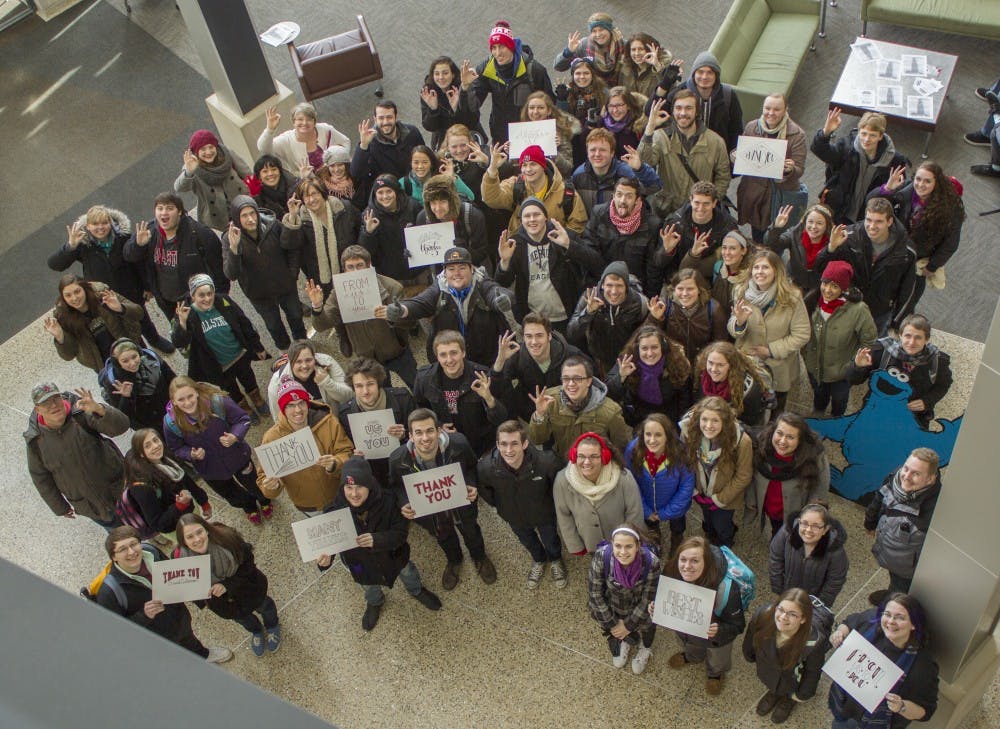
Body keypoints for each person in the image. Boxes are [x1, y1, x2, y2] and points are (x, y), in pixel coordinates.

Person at [319, 458, 443, 631]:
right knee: (367, 585)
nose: (354, 494)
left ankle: (416, 590)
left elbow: (400, 534)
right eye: (349, 488)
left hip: (393, 555)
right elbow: (330, 545)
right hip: (358, 563)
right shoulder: (333, 512)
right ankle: (375, 602)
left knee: (407, 571)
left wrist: (377, 540)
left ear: (370, 484)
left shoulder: (389, 501)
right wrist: (326, 560)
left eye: (359, 487)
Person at [389, 409, 497, 590]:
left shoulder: (459, 444)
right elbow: (396, 485)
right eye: (419, 432)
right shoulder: (398, 459)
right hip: (431, 513)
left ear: (439, 431)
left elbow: (472, 467)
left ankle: (479, 557)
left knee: (471, 531)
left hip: (462, 504)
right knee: (443, 536)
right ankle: (454, 560)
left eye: (430, 430)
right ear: (410, 436)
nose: (425, 438)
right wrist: (403, 503)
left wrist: (471, 484)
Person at [96, 526, 232, 663]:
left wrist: (200, 595)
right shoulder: (109, 592)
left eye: (133, 544)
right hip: (155, 637)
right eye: (122, 549)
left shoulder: (151, 552)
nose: (131, 552)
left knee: (187, 637)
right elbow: (117, 633)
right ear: (113, 557)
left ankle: (203, 655)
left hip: (178, 615)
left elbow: (176, 576)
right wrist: (144, 615)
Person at [48, 205, 173, 352]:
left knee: (141, 317)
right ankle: (136, 348)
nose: (100, 228)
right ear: (88, 226)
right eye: (95, 224)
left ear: (111, 223)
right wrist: (70, 246)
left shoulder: (123, 238)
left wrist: (147, 287)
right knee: (115, 324)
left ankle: (154, 339)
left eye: (104, 223)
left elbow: (138, 263)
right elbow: (55, 264)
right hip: (102, 296)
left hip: (129, 290)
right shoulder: (83, 245)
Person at [377, 246, 514, 367]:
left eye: (462, 268)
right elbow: (420, 303)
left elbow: (497, 292)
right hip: (451, 361)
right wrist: (401, 310)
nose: (457, 273)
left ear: (472, 269)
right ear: (445, 272)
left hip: (487, 359)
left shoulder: (482, 283)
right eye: (451, 269)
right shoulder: (438, 289)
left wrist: (502, 300)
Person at [163, 377, 272, 525]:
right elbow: (176, 447)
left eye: (190, 396)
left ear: (197, 392)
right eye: (181, 400)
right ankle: (248, 505)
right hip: (210, 468)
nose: (187, 403)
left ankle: (264, 499)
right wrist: (190, 454)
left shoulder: (217, 403)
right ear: (174, 401)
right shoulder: (171, 423)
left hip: (237, 456)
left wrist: (235, 435)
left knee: (254, 482)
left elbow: (242, 418)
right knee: (231, 494)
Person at [308, 245, 417, 387]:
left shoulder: (392, 287)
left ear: (369, 265)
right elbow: (321, 325)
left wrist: (395, 315)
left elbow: (411, 322)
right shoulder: (339, 293)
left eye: (360, 265)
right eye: (350, 267)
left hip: (397, 351)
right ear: (344, 270)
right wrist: (317, 306)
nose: (355, 271)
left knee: (418, 386)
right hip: (367, 359)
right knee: (382, 397)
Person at [25, 382, 129, 530]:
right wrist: (60, 507)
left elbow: (122, 426)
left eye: (55, 398)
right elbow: (40, 478)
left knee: (144, 519)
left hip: (120, 487)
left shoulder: (80, 413)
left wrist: (99, 410)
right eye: (46, 403)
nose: (54, 405)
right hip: (92, 506)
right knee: (121, 535)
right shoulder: (36, 441)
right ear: (38, 409)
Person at [477, 420, 567, 589]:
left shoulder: (547, 462)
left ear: (525, 443)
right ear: (497, 444)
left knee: (551, 539)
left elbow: (560, 487)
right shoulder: (485, 468)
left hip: (544, 514)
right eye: (503, 444)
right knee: (527, 541)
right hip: (514, 516)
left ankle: (555, 559)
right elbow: (485, 491)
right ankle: (539, 560)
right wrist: (502, 507)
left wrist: (552, 507)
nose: (508, 450)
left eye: (514, 444)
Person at [174, 514, 280, 656]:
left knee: (265, 606)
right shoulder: (180, 560)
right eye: (190, 537)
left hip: (249, 588)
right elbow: (188, 587)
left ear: (206, 529)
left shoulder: (227, 538)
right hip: (225, 605)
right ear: (184, 542)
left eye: (199, 532)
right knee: (243, 620)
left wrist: (227, 585)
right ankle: (256, 631)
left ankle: (272, 625)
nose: (197, 539)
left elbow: (248, 564)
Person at [828, 593, 939, 728]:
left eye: (900, 618)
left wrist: (901, 706)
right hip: (843, 710)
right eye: (887, 614)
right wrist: (840, 633)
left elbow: (926, 711)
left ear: (914, 624)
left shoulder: (922, 665)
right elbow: (850, 622)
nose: (891, 621)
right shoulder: (871, 622)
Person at [813, 197, 916, 336]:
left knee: (872, 348)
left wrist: (898, 321)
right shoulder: (849, 237)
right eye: (869, 220)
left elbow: (908, 289)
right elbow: (820, 268)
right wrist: (831, 248)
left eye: (879, 221)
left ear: (890, 221)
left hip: (880, 311)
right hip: (849, 305)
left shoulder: (905, 251)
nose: (872, 226)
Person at [172, 273, 269, 418]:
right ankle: (244, 407)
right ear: (193, 296)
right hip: (219, 366)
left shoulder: (224, 300)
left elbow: (244, 323)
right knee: (231, 389)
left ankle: (257, 398)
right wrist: (182, 323)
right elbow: (179, 342)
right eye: (201, 295)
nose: (207, 298)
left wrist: (258, 346)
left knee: (249, 379)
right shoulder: (187, 315)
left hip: (239, 356)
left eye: (210, 293)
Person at [494, 197, 604, 325]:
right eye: (527, 216)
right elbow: (500, 284)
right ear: (521, 220)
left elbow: (597, 265)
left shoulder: (563, 236)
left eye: (536, 214)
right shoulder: (516, 243)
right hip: (533, 318)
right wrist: (504, 262)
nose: (532, 219)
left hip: (566, 315)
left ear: (545, 217)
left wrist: (570, 246)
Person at [872, 160, 965, 308]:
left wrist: (932, 267)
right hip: (893, 253)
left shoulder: (949, 210)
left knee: (907, 300)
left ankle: (899, 326)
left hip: (917, 260)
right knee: (881, 294)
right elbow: (872, 205)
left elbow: (950, 244)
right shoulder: (906, 193)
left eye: (927, 181)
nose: (921, 185)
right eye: (918, 179)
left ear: (937, 183)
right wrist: (888, 189)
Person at [257, 376, 354, 517]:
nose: (298, 410)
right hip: (308, 505)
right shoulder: (271, 438)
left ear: (307, 403)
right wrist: (272, 487)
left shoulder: (328, 422)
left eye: (301, 403)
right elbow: (263, 479)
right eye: (290, 405)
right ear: (283, 409)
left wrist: (336, 462)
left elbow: (346, 451)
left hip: (340, 493)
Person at [728, 249, 810, 413]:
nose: (760, 272)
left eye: (765, 267)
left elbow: (802, 334)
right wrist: (740, 322)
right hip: (748, 363)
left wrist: (771, 350)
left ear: (776, 271)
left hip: (779, 366)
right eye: (756, 267)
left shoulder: (792, 297)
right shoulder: (741, 292)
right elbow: (732, 327)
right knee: (748, 407)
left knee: (776, 410)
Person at [662, 536, 747, 694]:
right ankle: (692, 657)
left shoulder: (726, 589)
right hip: (687, 632)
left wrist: (719, 630)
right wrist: (657, 608)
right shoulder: (672, 573)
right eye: (683, 559)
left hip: (716, 641)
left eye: (695, 561)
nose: (687, 566)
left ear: (706, 562)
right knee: (692, 647)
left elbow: (738, 625)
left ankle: (715, 674)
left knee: (717, 659)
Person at [124, 191, 227, 320]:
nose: (164, 213)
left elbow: (219, 271)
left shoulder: (199, 233)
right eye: (159, 208)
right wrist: (138, 245)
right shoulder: (149, 232)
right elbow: (129, 256)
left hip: (200, 302)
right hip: (169, 304)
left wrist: (218, 301)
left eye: (169, 208)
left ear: (179, 211)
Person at [223, 195, 305, 351]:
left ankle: (302, 344)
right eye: (244, 216)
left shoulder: (273, 226)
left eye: (252, 213)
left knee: (295, 316)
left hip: (285, 285)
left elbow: (291, 247)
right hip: (259, 293)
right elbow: (231, 274)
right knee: (273, 325)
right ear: (236, 218)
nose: (250, 219)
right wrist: (234, 249)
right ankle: (285, 349)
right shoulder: (229, 239)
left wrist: (292, 273)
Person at [847, 314, 952, 429]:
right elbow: (853, 380)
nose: (911, 342)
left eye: (918, 337)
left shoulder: (937, 361)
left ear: (926, 339)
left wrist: (928, 401)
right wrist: (857, 367)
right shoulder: (882, 351)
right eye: (907, 336)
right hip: (876, 414)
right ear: (900, 335)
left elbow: (943, 385)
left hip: (913, 421)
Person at [413, 330, 509, 456]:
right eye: (443, 355)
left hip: (481, 445)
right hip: (448, 445)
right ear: (437, 357)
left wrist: (488, 398)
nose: (449, 360)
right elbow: (420, 408)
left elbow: (501, 418)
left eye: (454, 353)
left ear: (463, 352)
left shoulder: (481, 376)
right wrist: (438, 426)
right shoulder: (424, 378)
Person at [743, 588, 830, 724]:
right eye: (781, 609)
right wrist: (749, 654)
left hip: (793, 678)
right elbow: (751, 636)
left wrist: (801, 695)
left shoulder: (814, 642)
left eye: (792, 614)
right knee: (775, 682)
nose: (783, 617)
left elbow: (812, 672)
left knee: (789, 687)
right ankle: (774, 692)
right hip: (769, 668)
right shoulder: (762, 616)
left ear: (803, 619)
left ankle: (788, 699)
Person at [638, 92, 731, 218]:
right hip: (666, 210)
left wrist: (709, 202)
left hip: (698, 211)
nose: (683, 113)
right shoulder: (660, 137)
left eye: (688, 108)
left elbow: (723, 177)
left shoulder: (715, 142)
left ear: (697, 111)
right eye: (678, 108)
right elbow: (643, 162)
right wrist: (650, 128)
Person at [803, 261, 877, 417]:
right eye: (825, 283)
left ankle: (837, 420)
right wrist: (805, 354)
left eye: (835, 286)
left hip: (842, 373)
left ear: (844, 289)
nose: (827, 290)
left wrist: (853, 364)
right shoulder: (811, 301)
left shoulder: (858, 310)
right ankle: (818, 416)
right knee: (819, 396)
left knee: (839, 400)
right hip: (815, 367)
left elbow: (869, 341)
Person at [865, 448, 941, 598]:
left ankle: (893, 598)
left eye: (916, 474)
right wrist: (870, 522)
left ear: (931, 479)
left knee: (900, 590)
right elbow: (879, 498)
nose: (906, 476)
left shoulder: (935, 508)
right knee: (893, 577)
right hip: (891, 552)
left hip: (906, 567)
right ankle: (892, 591)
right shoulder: (895, 476)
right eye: (906, 468)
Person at [464, 20, 555, 145]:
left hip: (531, 134)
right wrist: (466, 87)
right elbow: (473, 107)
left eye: (502, 46)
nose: (498, 53)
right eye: (494, 48)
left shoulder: (534, 70)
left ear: (511, 46)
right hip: (501, 135)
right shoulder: (485, 68)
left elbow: (551, 105)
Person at [679, 396, 754, 547]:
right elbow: (684, 463)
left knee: (722, 525)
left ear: (725, 423)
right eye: (704, 419)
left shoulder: (742, 442)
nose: (708, 425)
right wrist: (694, 491)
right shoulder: (689, 434)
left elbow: (743, 476)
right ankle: (710, 536)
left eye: (715, 421)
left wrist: (719, 499)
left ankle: (725, 543)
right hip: (702, 493)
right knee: (708, 521)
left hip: (726, 497)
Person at [810, 109, 908, 224]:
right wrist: (825, 132)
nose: (866, 139)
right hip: (839, 209)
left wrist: (890, 189)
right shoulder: (847, 147)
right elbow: (821, 151)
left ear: (881, 136)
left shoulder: (894, 161)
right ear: (859, 131)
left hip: (867, 218)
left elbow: (899, 194)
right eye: (863, 134)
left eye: (872, 135)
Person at [553, 432, 643, 555]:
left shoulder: (623, 477)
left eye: (594, 456)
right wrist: (575, 545)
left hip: (621, 542)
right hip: (591, 543)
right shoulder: (562, 480)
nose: (586, 462)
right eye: (581, 456)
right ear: (574, 457)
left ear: (604, 457)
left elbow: (634, 511)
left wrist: (630, 539)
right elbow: (564, 516)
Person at [587, 524, 661, 674]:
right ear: (612, 544)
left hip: (640, 609)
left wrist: (628, 625)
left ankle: (645, 647)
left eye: (629, 546)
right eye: (618, 546)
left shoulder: (651, 563)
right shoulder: (602, 557)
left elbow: (649, 598)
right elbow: (594, 593)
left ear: (638, 545)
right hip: (614, 607)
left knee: (648, 627)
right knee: (614, 624)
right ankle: (624, 639)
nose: (623, 552)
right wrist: (613, 625)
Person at [735, 94, 808, 243]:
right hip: (755, 193)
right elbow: (744, 155)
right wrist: (736, 156)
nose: (771, 113)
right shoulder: (751, 127)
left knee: (776, 237)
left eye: (777, 109)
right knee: (757, 234)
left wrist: (790, 169)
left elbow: (799, 169)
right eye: (767, 108)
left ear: (785, 109)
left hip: (779, 195)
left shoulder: (797, 135)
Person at [490, 312, 587, 422]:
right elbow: (495, 389)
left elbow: (590, 382)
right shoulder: (516, 357)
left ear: (549, 335)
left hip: (566, 418)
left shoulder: (572, 355)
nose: (534, 342)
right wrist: (500, 361)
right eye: (529, 336)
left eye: (539, 335)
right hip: (531, 418)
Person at [528, 355, 631, 455]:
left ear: (589, 381)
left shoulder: (610, 410)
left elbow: (621, 447)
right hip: (563, 463)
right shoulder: (549, 400)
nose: (571, 384)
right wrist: (539, 415)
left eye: (577, 378)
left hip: (596, 466)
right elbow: (537, 439)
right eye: (566, 379)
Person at [748, 413, 831, 538]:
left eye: (790, 437)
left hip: (794, 512)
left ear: (800, 441)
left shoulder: (814, 456)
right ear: (773, 431)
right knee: (776, 530)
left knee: (786, 536)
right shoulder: (760, 447)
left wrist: (811, 517)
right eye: (779, 433)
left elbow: (821, 489)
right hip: (771, 509)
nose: (782, 441)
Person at [338, 357, 416, 486]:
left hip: (405, 467)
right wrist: (355, 456)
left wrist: (405, 434)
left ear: (379, 383)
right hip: (374, 474)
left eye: (370, 384)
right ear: (352, 387)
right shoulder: (345, 413)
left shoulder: (403, 399)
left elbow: (420, 433)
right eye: (359, 386)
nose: (365, 391)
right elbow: (346, 449)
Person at [624, 414, 694, 556]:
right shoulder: (633, 450)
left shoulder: (681, 453)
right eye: (648, 434)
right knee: (651, 525)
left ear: (667, 436)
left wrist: (665, 513)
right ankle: (655, 539)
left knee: (677, 525)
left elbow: (686, 487)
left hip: (675, 506)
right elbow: (630, 483)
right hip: (647, 504)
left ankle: (677, 539)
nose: (652, 440)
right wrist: (646, 510)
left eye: (658, 435)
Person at [282, 177, 361, 301]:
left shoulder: (343, 208)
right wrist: (292, 216)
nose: (312, 199)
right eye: (306, 196)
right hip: (320, 277)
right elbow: (291, 245)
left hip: (349, 271)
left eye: (315, 193)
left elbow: (358, 231)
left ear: (323, 193)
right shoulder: (301, 219)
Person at [45, 274, 144, 374]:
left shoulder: (102, 294)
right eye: (68, 295)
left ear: (85, 289)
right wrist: (60, 337)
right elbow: (68, 355)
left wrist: (120, 308)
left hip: (131, 351)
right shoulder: (63, 317)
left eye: (77, 292)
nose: (74, 298)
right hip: (104, 365)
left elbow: (139, 313)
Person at [481, 143, 588, 235]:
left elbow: (577, 225)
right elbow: (491, 199)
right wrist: (492, 169)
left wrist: (559, 244)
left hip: (556, 251)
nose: (528, 169)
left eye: (533, 164)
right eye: (524, 165)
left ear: (543, 166)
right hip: (522, 250)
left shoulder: (566, 192)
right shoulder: (515, 185)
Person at [567, 260, 650, 377]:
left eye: (619, 286)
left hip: (629, 360)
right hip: (600, 361)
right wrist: (588, 313)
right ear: (602, 285)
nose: (614, 291)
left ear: (626, 286)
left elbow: (646, 333)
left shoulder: (639, 303)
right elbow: (572, 333)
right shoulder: (589, 298)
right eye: (609, 285)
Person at [580, 176, 661, 295]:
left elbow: (652, 269)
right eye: (619, 194)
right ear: (613, 195)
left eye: (629, 196)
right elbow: (590, 253)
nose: (622, 201)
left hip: (635, 289)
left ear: (638, 200)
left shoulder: (652, 224)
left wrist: (650, 298)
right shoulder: (599, 214)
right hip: (604, 286)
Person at [123, 428, 211, 536]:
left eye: (156, 440)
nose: (155, 446)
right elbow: (157, 524)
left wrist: (203, 502)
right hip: (175, 527)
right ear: (141, 454)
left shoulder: (166, 459)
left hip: (188, 510)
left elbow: (186, 480)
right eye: (147, 445)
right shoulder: (143, 486)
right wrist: (179, 506)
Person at [653, 181, 738, 286]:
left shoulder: (727, 226)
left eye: (706, 203)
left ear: (714, 203)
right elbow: (658, 263)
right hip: (678, 281)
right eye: (697, 203)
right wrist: (667, 251)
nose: (700, 209)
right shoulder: (674, 224)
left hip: (711, 282)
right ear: (691, 200)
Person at [606, 324, 691, 425]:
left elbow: (685, 402)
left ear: (663, 347)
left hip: (669, 421)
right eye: (644, 348)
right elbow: (608, 394)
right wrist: (621, 376)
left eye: (654, 347)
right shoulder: (625, 362)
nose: (650, 353)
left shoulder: (678, 364)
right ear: (637, 349)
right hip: (635, 422)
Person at [769, 503, 849, 609]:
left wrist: (818, 605)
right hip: (786, 593)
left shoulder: (835, 551)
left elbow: (835, 581)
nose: (808, 530)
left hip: (812, 602)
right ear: (798, 522)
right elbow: (775, 559)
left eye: (815, 526)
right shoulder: (786, 534)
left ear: (825, 529)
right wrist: (779, 589)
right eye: (804, 523)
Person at [571, 127, 661, 215]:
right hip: (591, 228)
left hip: (621, 228)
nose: (597, 154)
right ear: (587, 152)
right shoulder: (578, 175)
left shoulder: (626, 174)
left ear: (612, 153)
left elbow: (654, 187)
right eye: (593, 150)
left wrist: (640, 169)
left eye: (602, 150)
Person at [173, 129, 250, 231]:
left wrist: (253, 191)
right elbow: (179, 187)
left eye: (211, 147)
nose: (208, 152)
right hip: (218, 215)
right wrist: (189, 172)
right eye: (203, 149)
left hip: (241, 201)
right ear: (196, 152)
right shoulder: (192, 165)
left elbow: (246, 172)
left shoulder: (226, 154)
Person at [666, 51, 743, 153]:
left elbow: (736, 129)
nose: (704, 77)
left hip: (718, 156)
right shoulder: (680, 92)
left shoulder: (728, 95)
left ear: (716, 75)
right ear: (694, 74)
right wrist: (664, 83)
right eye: (700, 72)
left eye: (710, 72)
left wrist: (731, 156)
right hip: (685, 155)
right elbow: (650, 111)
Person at [647, 267, 729, 363]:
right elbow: (645, 337)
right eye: (680, 289)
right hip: (673, 364)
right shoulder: (664, 306)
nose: (684, 294)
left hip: (702, 365)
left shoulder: (714, 309)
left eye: (690, 289)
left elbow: (721, 344)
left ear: (699, 290)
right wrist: (654, 318)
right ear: (674, 289)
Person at [357, 173, 424, 285]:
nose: (385, 196)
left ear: (396, 192)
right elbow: (365, 252)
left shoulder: (413, 206)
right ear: (375, 194)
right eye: (380, 192)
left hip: (418, 272)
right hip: (389, 278)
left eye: (389, 191)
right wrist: (368, 233)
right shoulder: (369, 214)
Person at [98, 338, 176, 431]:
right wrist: (126, 397)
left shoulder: (152, 358)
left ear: (139, 352)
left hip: (171, 409)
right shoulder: (113, 382)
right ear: (117, 363)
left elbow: (173, 380)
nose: (132, 363)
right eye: (125, 361)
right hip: (148, 424)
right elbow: (123, 417)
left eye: (134, 357)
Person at [351, 100, 426, 196]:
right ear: (375, 119)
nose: (385, 122)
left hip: (415, 187)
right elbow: (356, 173)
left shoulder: (412, 132)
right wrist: (363, 145)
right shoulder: (370, 142)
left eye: (389, 117)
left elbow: (425, 157)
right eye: (381, 118)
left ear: (396, 117)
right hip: (388, 194)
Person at [415, 174, 490, 270]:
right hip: (439, 276)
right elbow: (426, 262)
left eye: (442, 201)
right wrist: (414, 253)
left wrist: (464, 250)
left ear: (452, 201)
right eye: (433, 202)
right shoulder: (423, 218)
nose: (437, 208)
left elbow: (482, 254)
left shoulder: (473, 216)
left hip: (471, 271)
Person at [265, 340, 352, 421]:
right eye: (298, 362)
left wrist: (327, 382)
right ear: (290, 362)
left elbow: (348, 396)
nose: (304, 366)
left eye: (308, 360)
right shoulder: (277, 383)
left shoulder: (327, 362)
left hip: (333, 419)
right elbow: (279, 419)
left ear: (314, 357)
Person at [764, 202, 837, 298]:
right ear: (805, 222)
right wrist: (776, 228)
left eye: (819, 223)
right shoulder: (794, 234)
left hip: (818, 289)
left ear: (827, 225)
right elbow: (772, 245)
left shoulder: (834, 241)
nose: (813, 227)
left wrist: (832, 248)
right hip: (793, 284)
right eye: (810, 222)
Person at [692, 341, 772, 427]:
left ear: (731, 366)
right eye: (710, 363)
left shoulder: (749, 391)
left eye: (720, 365)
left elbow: (752, 426)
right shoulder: (702, 377)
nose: (713, 369)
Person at [258, 102, 350, 175]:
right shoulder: (286, 140)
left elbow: (345, 142)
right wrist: (270, 129)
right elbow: (263, 149)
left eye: (309, 119)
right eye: (300, 119)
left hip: (337, 176)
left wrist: (340, 161)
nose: (305, 123)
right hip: (310, 186)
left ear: (314, 121)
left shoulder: (325, 129)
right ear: (293, 122)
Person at [420, 56, 485, 152]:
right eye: (437, 74)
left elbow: (473, 120)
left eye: (445, 73)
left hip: (469, 140)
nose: (441, 77)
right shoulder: (429, 92)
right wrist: (433, 109)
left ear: (453, 74)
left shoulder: (464, 87)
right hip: (443, 143)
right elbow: (429, 127)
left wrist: (456, 108)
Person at [557, 57, 610, 164]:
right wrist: (561, 100)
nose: (582, 77)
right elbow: (562, 121)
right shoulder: (568, 93)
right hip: (575, 143)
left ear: (592, 74)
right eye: (578, 73)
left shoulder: (603, 93)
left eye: (586, 73)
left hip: (597, 139)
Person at [553, 12, 626, 86]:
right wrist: (568, 52)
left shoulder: (623, 45)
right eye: (594, 31)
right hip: (595, 91)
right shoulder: (584, 45)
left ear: (609, 29)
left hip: (621, 91)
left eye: (601, 30)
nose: (598, 34)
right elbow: (558, 67)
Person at [518, 91, 579, 177]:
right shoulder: (519, 134)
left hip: (553, 182)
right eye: (531, 108)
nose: (535, 112)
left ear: (549, 111)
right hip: (527, 183)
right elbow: (514, 168)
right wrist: (511, 153)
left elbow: (567, 169)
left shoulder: (559, 133)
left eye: (540, 108)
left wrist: (554, 153)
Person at [400, 145, 476, 204]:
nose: (420, 166)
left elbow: (470, 197)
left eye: (425, 162)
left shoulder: (442, 178)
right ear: (411, 164)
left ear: (431, 164)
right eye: (416, 162)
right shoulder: (404, 183)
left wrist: (452, 178)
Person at [595, 86, 650, 157]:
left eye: (619, 105)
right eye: (611, 106)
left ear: (628, 106)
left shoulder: (639, 126)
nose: (615, 110)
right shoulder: (602, 123)